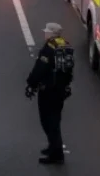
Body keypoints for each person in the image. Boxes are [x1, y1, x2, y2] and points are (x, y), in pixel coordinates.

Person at [26, 22, 74, 165]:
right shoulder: (65, 45)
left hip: (48, 91)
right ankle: (52, 147)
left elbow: (40, 68)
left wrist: (31, 83)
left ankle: (56, 154)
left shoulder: (49, 48)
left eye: (46, 32)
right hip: (60, 91)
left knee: (48, 122)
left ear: (52, 33)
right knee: (55, 119)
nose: (44, 33)